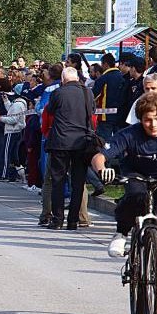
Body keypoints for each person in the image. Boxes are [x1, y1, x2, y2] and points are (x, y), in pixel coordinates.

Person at [92, 92, 157, 307]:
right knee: (135, 195)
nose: (153, 124)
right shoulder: (130, 134)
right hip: (136, 178)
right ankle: (122, 232)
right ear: (140, 119)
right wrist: (102, 169)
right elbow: (99, 157)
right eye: (147, 120)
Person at [42, 67, 93, 230]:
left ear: (63, 80)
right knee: (78, 182)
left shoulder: (58, 93)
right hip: (81, 142)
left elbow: (50, 110)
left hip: (61, 142)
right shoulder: (87, 92)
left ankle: (57, 220)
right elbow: (92, 111)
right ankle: (73, 221)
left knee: (58, 180)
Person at [91, 53, 126, 141]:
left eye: (102, 64)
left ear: (106, 64)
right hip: (120, 116)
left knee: (103, 143)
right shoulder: (123, 77)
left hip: (105, 117)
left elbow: (93, 96)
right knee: (119, 143)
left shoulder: (103, 79)